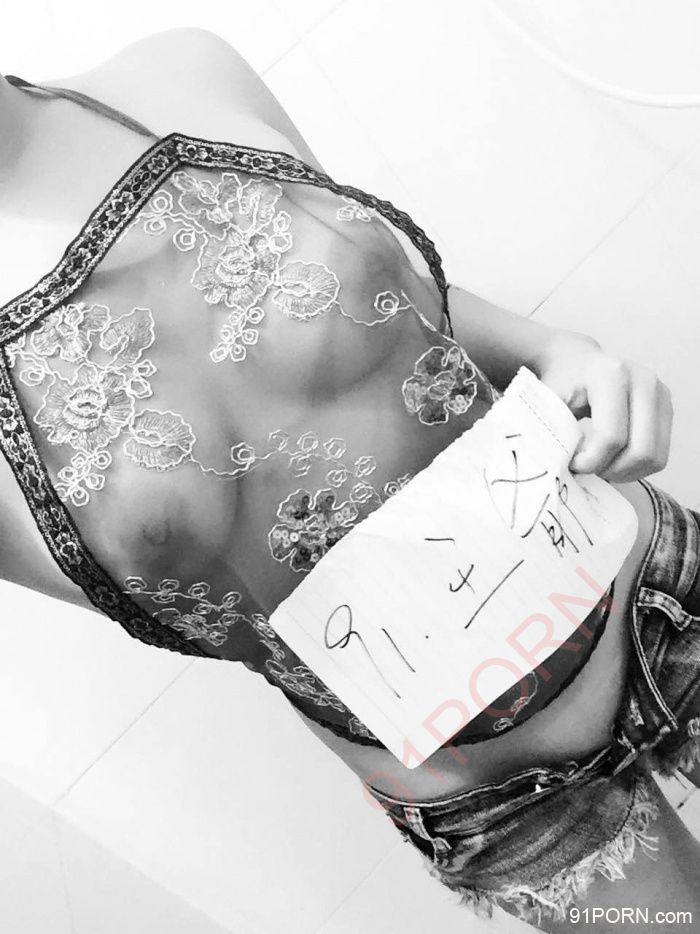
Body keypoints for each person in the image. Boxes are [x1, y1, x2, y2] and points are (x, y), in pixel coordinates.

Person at [0, 28, 697, 932]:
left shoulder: (181, 73)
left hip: (654, 584)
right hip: (507, 806)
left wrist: (561, 350)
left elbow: (392, 300)